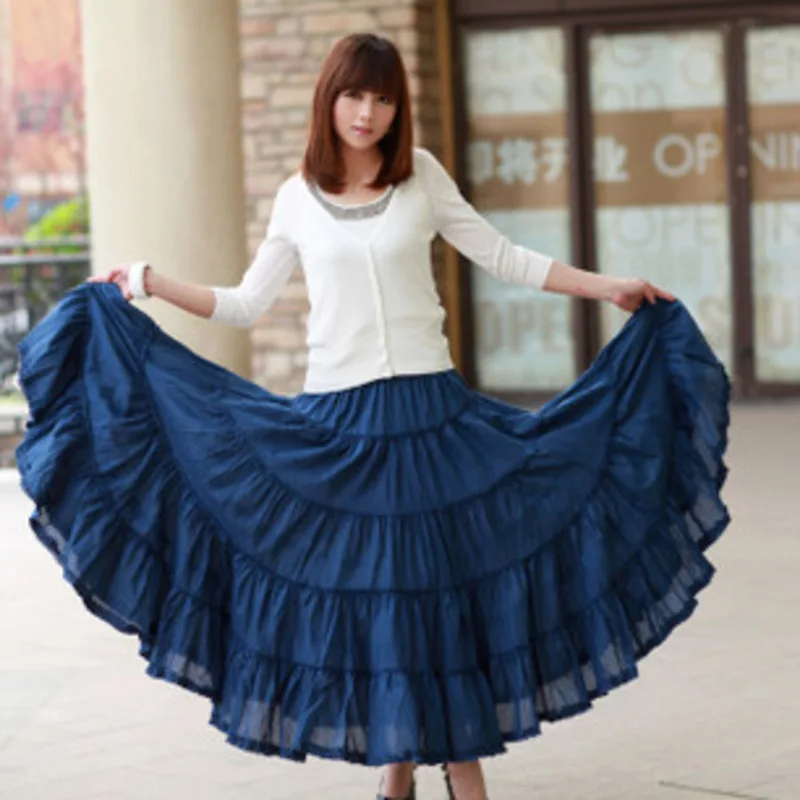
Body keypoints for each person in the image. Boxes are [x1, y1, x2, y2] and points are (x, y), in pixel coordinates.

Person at [16, 33, 730, 800]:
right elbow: (246, 304)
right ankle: (406, 774)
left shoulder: (419, 175)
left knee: (433, 593)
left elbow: (503, 256)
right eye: (355, 95)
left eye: (384, 98)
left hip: (432, 423)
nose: (368, 112)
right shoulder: (297, 197)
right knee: (390, 599)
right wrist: (149, 281)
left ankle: (433, 778)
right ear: (329, 100)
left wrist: (608, 286)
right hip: (341, 432)